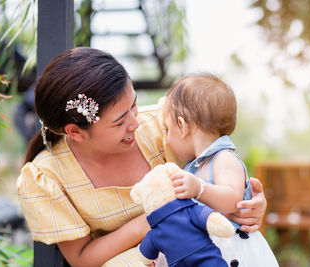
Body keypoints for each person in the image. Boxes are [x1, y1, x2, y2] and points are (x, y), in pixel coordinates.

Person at [17, 47, 267, 266]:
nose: (135, 123)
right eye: (119, 121)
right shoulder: (46, 177)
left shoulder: (165, 125)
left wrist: (247, 203)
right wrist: (159, 216)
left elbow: (216, 164)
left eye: (133, 105)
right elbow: (82, 258)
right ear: (75, 132)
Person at [162, 73, 278, 267]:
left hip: (230, 252)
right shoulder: (196, 166)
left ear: (182, 126)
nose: (165, 139)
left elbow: (233, 199)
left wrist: (198, 188)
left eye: (167, 130)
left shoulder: (224, 158)